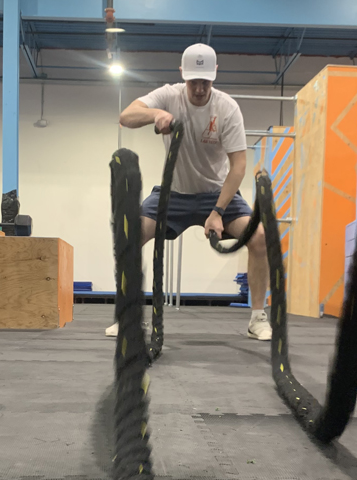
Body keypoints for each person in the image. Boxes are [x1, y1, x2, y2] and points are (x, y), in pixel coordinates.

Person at [106, 43, 271, 341]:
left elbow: (238, 165)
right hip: (174, 193)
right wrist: (156, 114)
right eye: (193, 81)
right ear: (182, 74)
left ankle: (257, 317)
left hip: (217, 194)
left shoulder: (226, 108)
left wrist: (218, 212)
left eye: (205, 81)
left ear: (215, 75)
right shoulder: (169, 95)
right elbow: (126, 116)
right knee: (128, 235)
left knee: (259, 237)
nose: (198, 88)